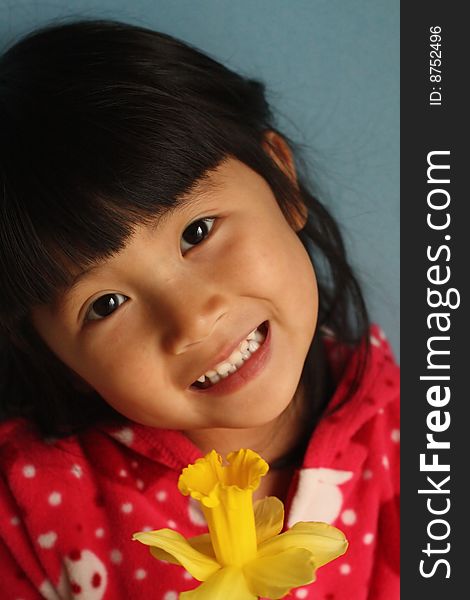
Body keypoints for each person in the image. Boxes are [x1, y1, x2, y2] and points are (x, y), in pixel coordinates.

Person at [0, 18, 399, 600]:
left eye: (198, 231)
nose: (190, 319)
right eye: (106, 304)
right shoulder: (28, 511)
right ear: (50, 353)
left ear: (282, 182)